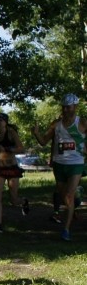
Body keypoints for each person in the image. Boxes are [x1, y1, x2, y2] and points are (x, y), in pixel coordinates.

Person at [32, 93, 87, 241]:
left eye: (68, 107)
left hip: (76, 164)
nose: (65, 110)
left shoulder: (82, 122)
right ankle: (75, 200)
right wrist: (36, 133)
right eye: (63, 107)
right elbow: (44, 141)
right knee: (65, 198)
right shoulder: (56, 124)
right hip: (59, 163)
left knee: (68, 196)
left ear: (75, 107)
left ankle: (66, 230)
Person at [0, 112, 30, 233]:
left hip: (12, 168)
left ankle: (23, 201)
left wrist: (7, 149)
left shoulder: (11, 133)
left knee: (13, 200)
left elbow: (21, 148)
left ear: (6, 122)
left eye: (1, 120)